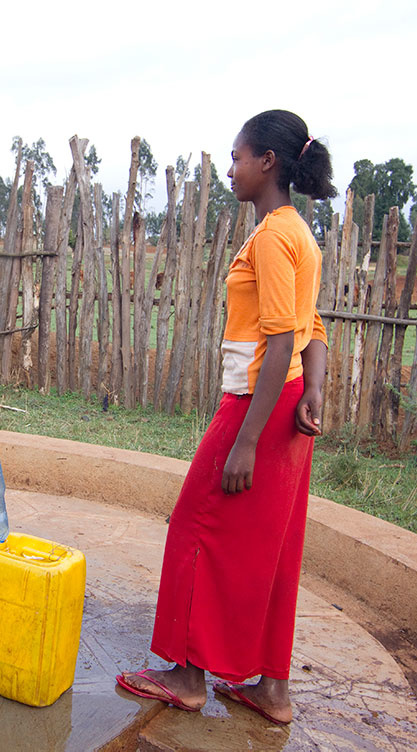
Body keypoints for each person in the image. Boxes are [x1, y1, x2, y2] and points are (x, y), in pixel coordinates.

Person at [116, 110, 335, 724]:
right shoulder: (300, 232)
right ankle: (272, 688)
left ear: (268, 162)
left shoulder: (271, 237)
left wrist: (245, 441)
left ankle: (187, 675)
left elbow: (282, 340)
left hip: (256, 405)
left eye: (237, 158)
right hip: (290, 404)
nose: (231, 169)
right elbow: (310, 328)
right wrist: (313, 390)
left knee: (194, 526)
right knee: (277, 546)